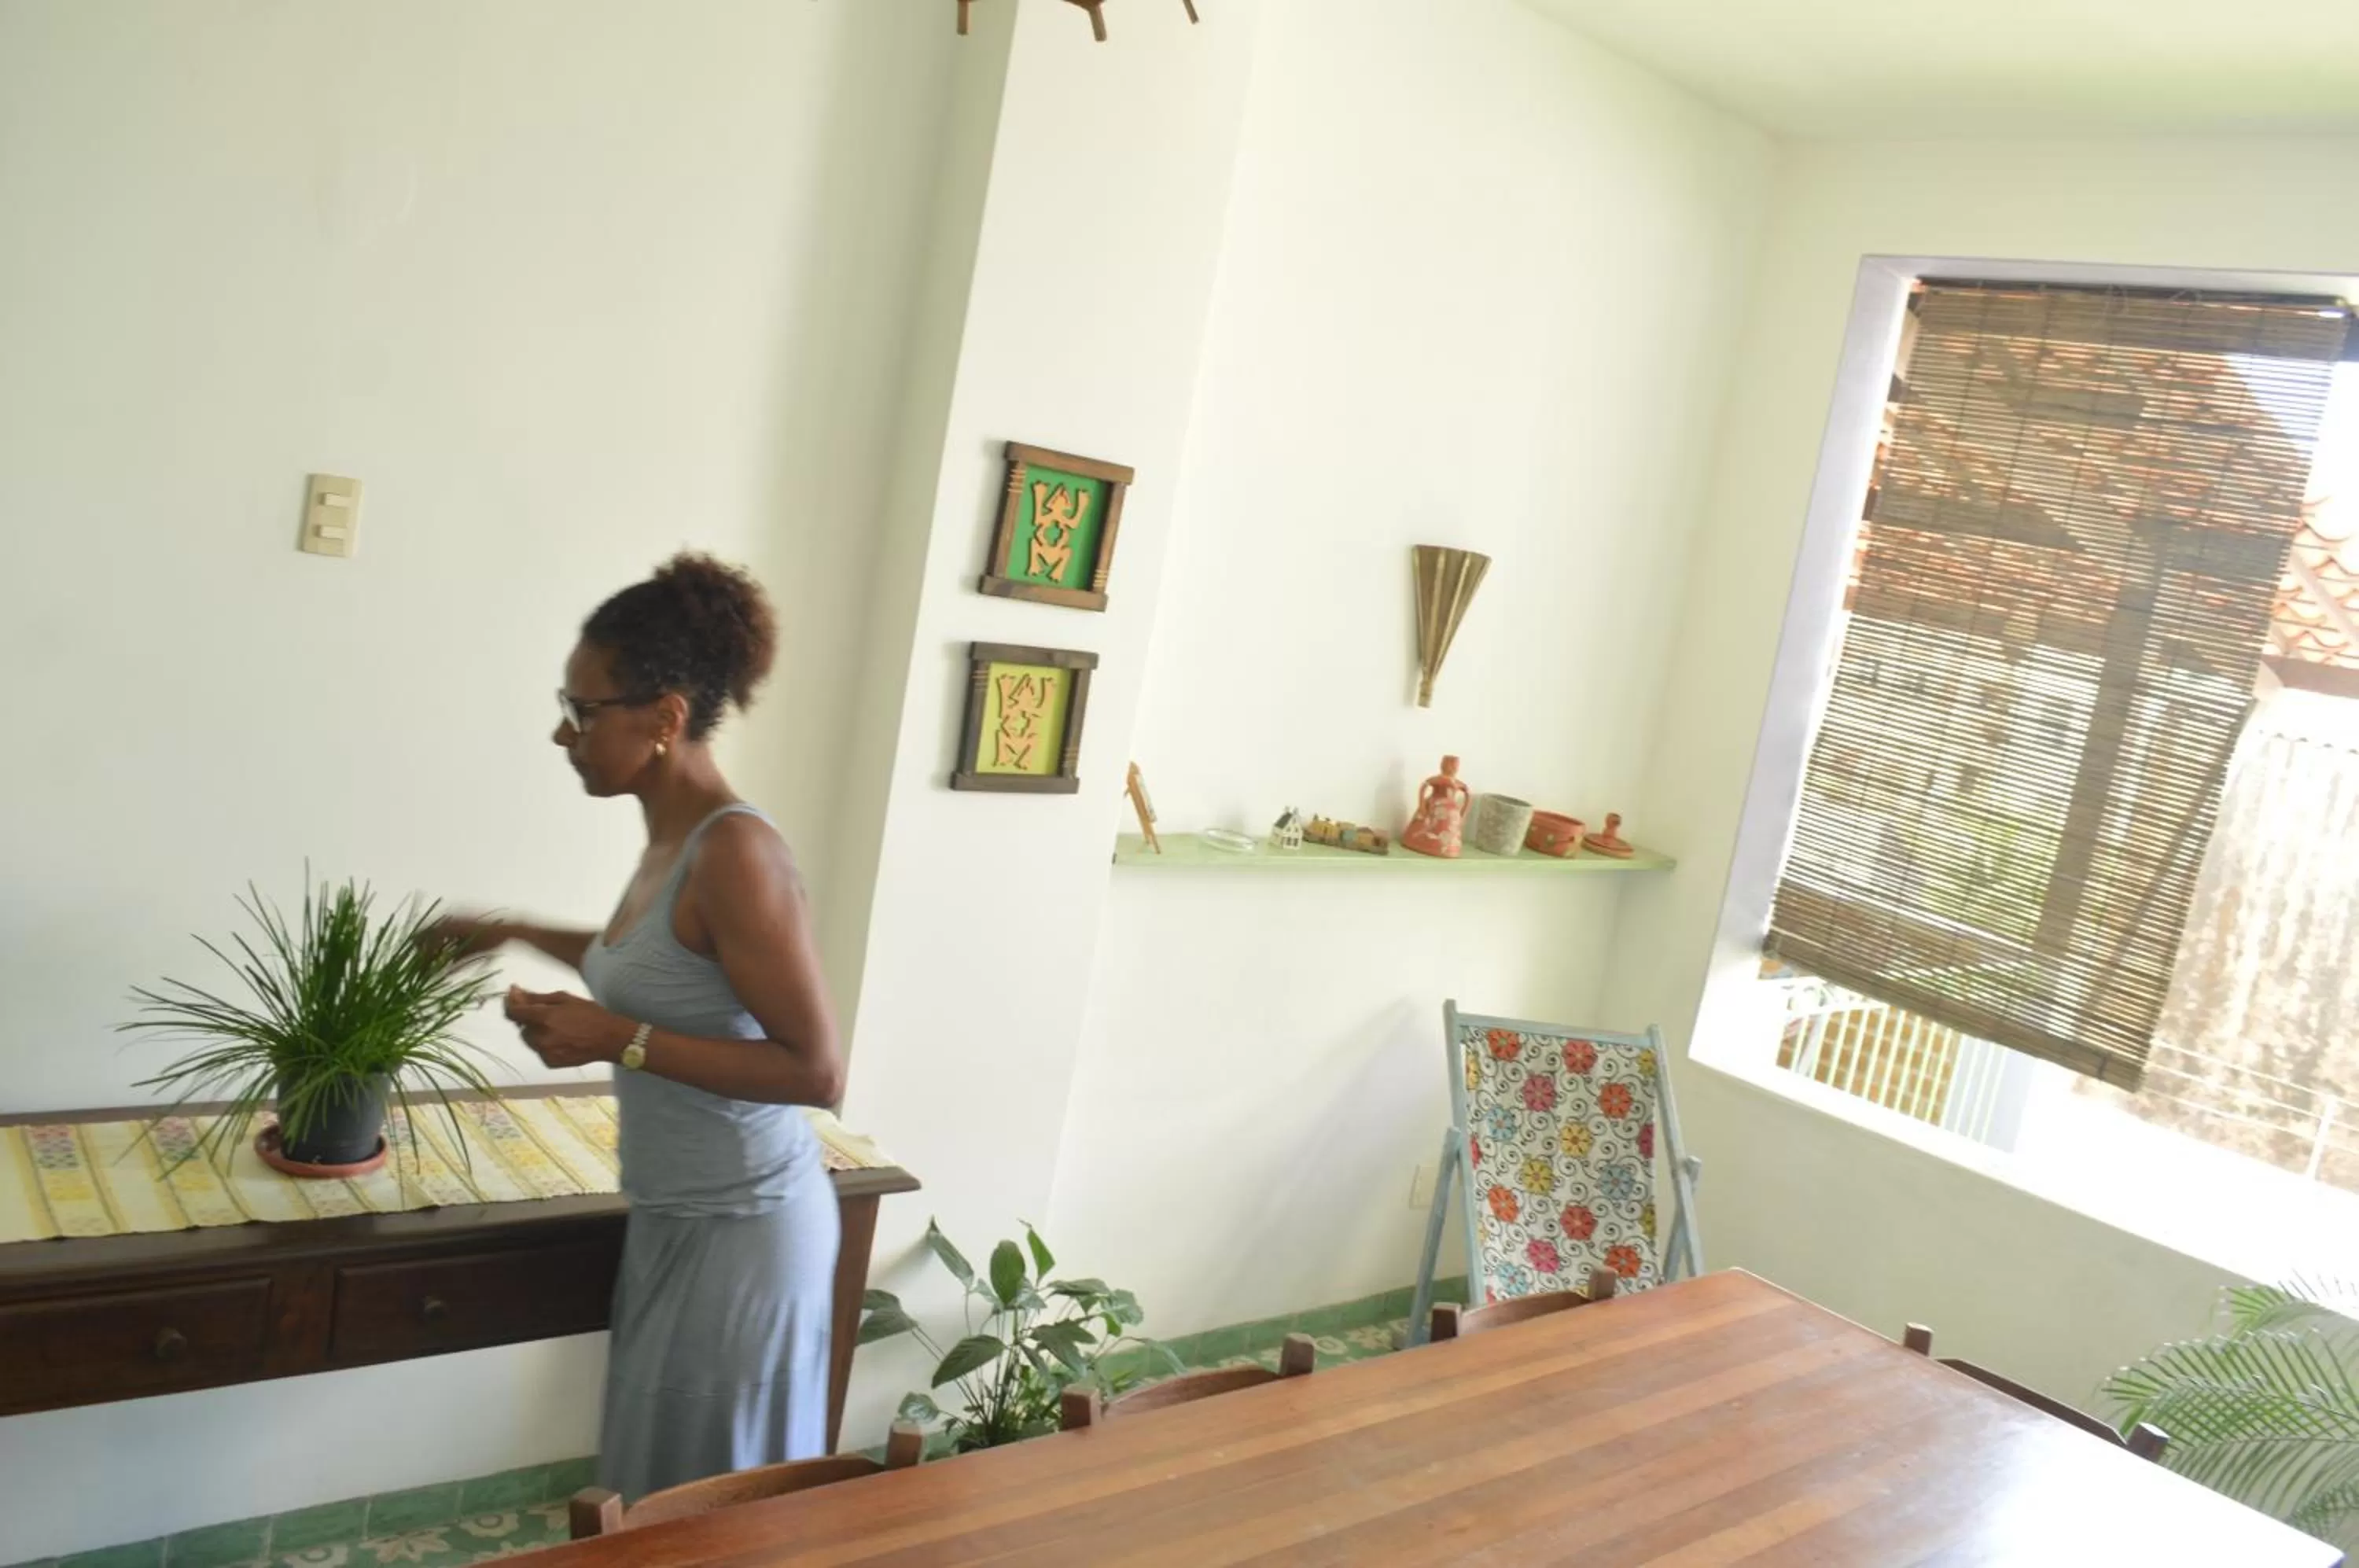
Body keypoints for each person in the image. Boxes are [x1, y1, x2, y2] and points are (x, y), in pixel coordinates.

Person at [430, 553, 846, 1502]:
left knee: (710, 1513)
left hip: (744, 1228)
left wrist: (615, 1038)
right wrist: (514, 932)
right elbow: (659, 970)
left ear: (662, 717)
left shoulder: (737, 852)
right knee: (657, 1491)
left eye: (583, 708)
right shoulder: (669, 837)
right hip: (675, 1213)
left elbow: (817, 1073)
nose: (561, 730)